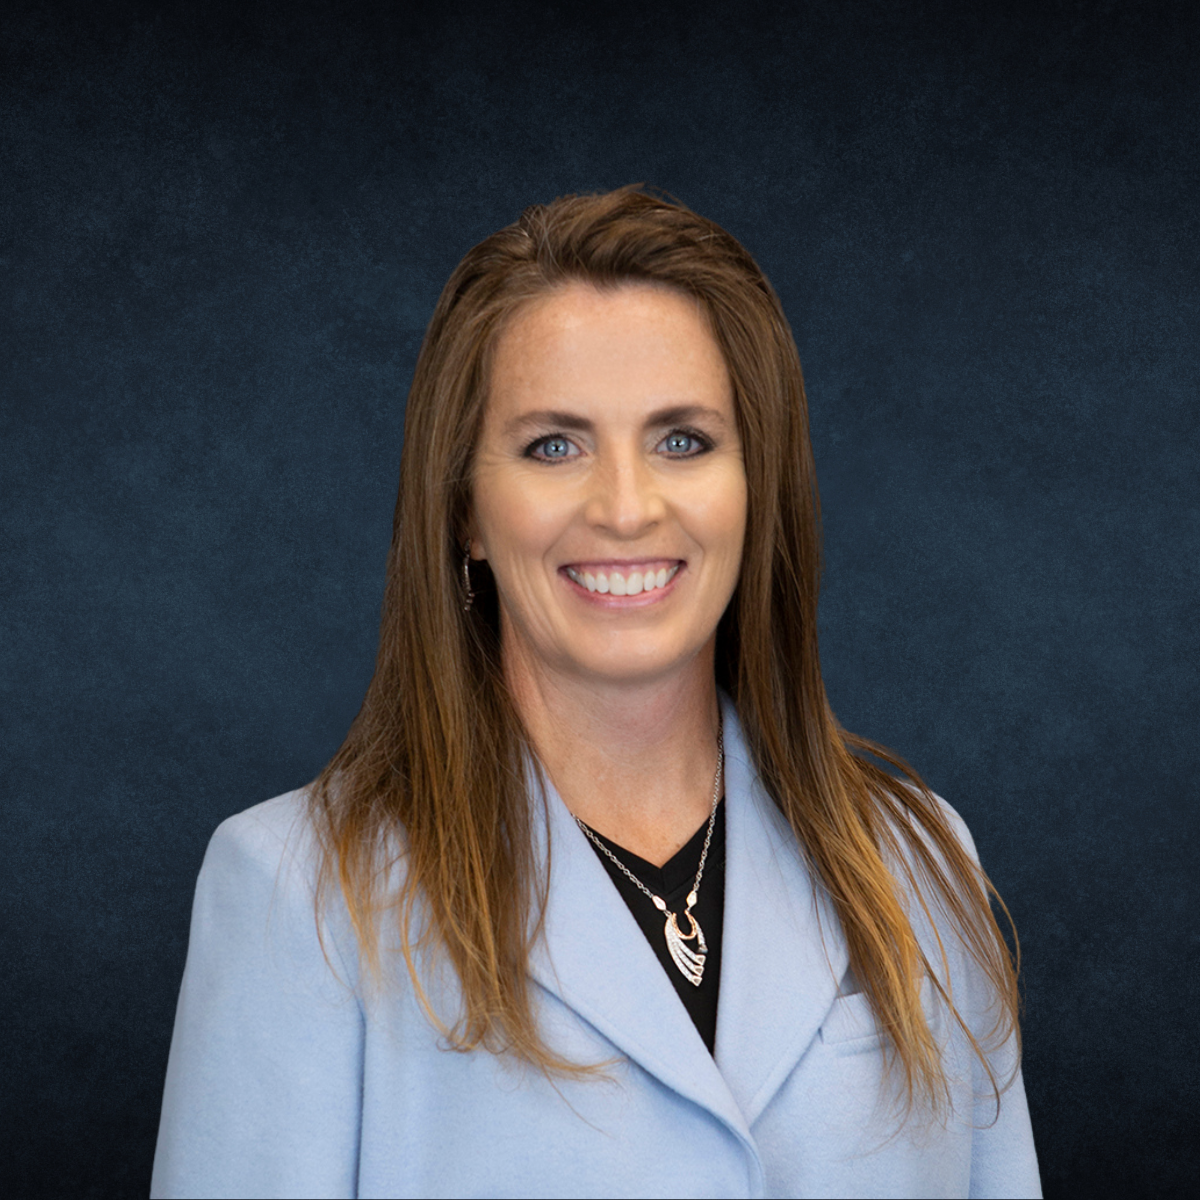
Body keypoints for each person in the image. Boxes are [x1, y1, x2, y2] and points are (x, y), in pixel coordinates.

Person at [151, 186, 1041, 1198]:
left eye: (683, 440)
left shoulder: (919, 867)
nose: (625, 507)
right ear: (466, 513)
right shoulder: (300, 899)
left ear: (759, 486)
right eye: (554, 446)